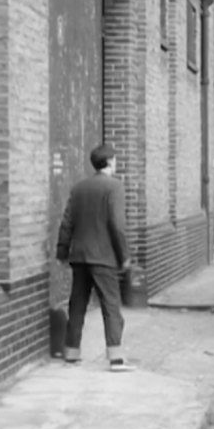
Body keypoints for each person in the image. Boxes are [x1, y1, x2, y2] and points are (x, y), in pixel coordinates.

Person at [56, 144, 134, 372]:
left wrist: (62, 252)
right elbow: (117, 225)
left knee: (77, 304)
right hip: (104, 257)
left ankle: (71, 352)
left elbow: (67, 222)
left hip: (79, 256)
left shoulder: (79, 188)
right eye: (115, 160)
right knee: (111, 305)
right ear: (110, 161)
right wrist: (125, 255)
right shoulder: (114, 187)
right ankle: (117, 358)